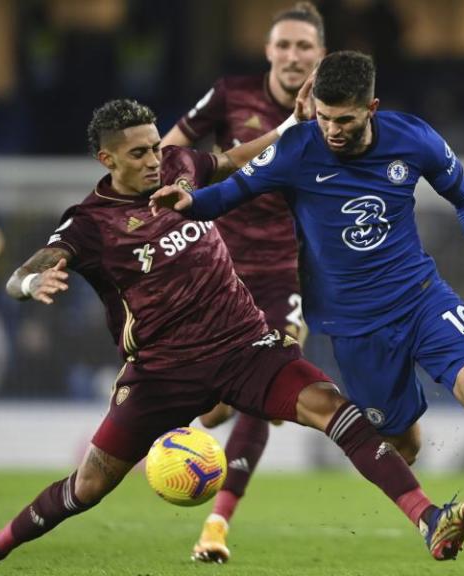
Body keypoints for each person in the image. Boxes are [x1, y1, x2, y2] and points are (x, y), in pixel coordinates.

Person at [0, 97, 464, 576]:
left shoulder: (178, 167)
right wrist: (30, 283)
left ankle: (430, 520)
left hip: (247, 347)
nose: (154, 160)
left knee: (338, 413)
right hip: (162, 373)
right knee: (89, 486)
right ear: (107, 158)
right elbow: (25, 269)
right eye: (139, 152)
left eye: (155, 146)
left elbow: (233, 160)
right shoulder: (90, 224)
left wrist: (291, 128)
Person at [150, 51, 464, 576]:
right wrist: (187, 201)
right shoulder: (297, 149)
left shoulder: (412, 138)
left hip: (421, 298)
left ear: (371, 107)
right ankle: (432, 510)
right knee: (403, 446)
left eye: (344, 119)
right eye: (323, 117)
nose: (332, 130)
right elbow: (227, 194)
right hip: (356, 330)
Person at [161, 2, 325, 563]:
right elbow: (166, 151)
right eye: (284, 45)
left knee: (269, 397)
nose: (293, 55)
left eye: (304, 46)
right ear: (268, 52)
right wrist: (207, 170)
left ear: (320, 56)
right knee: (216, 411)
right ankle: (185, 435)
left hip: (283, 273)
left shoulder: (335, 115)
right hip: (216, 271)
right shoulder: (231, 94)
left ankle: (216, 525)